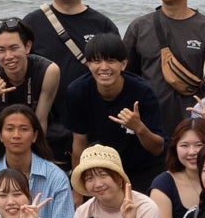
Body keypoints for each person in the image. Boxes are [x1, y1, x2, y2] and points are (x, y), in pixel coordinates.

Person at [19, 0, 118, 161]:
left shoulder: (103, 25)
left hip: (90, 123)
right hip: (45, 120)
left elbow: (118, 74)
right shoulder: (31, 23)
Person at [52, 35, 173, 188]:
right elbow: (79, 145)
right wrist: (78, 189)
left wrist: (139, 127)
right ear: (88, 64)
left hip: (142, 168)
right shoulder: (78, 91)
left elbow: (158, 149)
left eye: (111, 61)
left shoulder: (143, 92)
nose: (104, 67)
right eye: (96, 61)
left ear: (123, 64)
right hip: (100, 168)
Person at [0, 18, 61, 167]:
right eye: (1, 50)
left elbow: (40, 124)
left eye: (14, 48)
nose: (8, 56)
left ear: (27, 46)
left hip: (32, 141)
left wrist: (21, 160)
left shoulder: (47, 71)